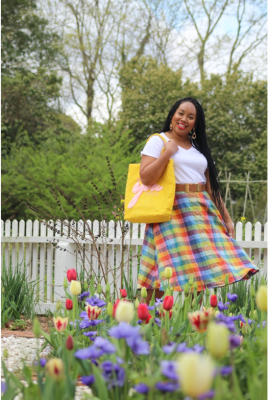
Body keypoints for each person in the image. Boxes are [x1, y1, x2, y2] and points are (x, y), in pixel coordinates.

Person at [137, 97, 259, 305]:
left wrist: (227, 219)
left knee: (199, 269)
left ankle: (195, 322)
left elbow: (212, 190)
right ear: (172, 115)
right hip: (171, 211)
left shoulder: (199, 148)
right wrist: (168, 153)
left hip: (202, 210)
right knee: (160, 270)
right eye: (181, 113)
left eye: (190, 117)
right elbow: (146, 177)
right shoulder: (158, 140)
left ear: (195, 123)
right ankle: (147, 320)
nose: (184, 119)